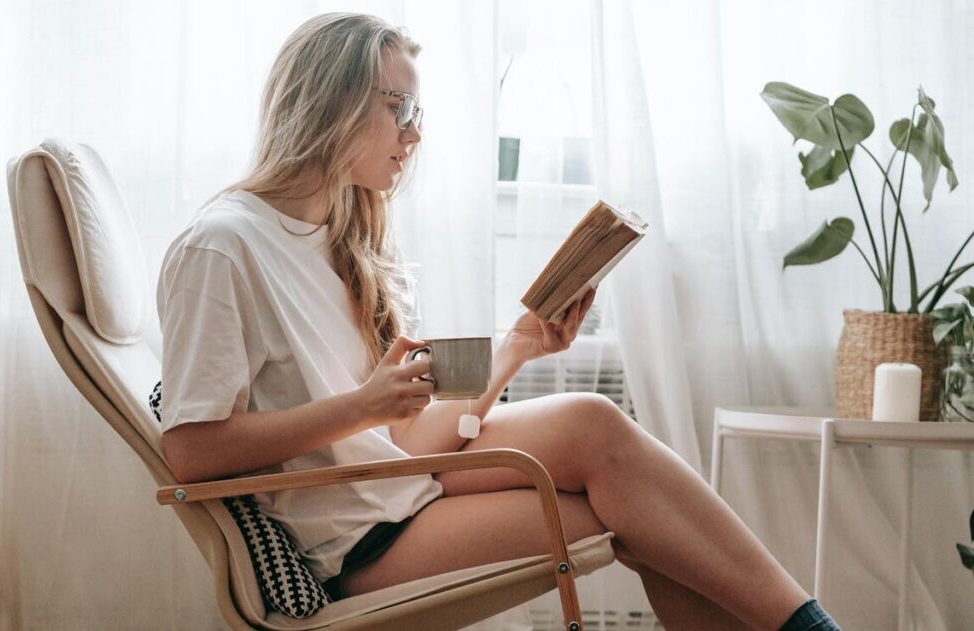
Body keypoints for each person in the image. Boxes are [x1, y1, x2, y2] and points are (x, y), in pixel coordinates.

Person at [156, 12, 841, 631]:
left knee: (595, 425)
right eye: (399, 108)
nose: (415, 132)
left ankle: (808, 625)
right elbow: (190, 452)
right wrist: (361, 405)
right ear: (331, 102)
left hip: (405, 485)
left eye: (417, 111)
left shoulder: (344, 239)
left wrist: (519, 345)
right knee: (643, 516)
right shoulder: (223, 246)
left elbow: (406, 439)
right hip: (358, 540)